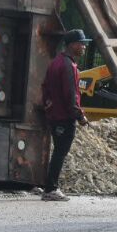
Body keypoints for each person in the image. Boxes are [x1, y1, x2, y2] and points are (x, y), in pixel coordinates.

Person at [40, 28, 91, 202]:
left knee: (58, 151)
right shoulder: (68, 66)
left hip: (55, 116)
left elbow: (45, 88)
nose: (84, 47)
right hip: (64, 118)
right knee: (60, 152)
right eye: (82, 44)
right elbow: (71, 95)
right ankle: (51, 188)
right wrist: (80, 116)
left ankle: (49, 186)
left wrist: (48, 106)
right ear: (73, 45)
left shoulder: (55, 62)